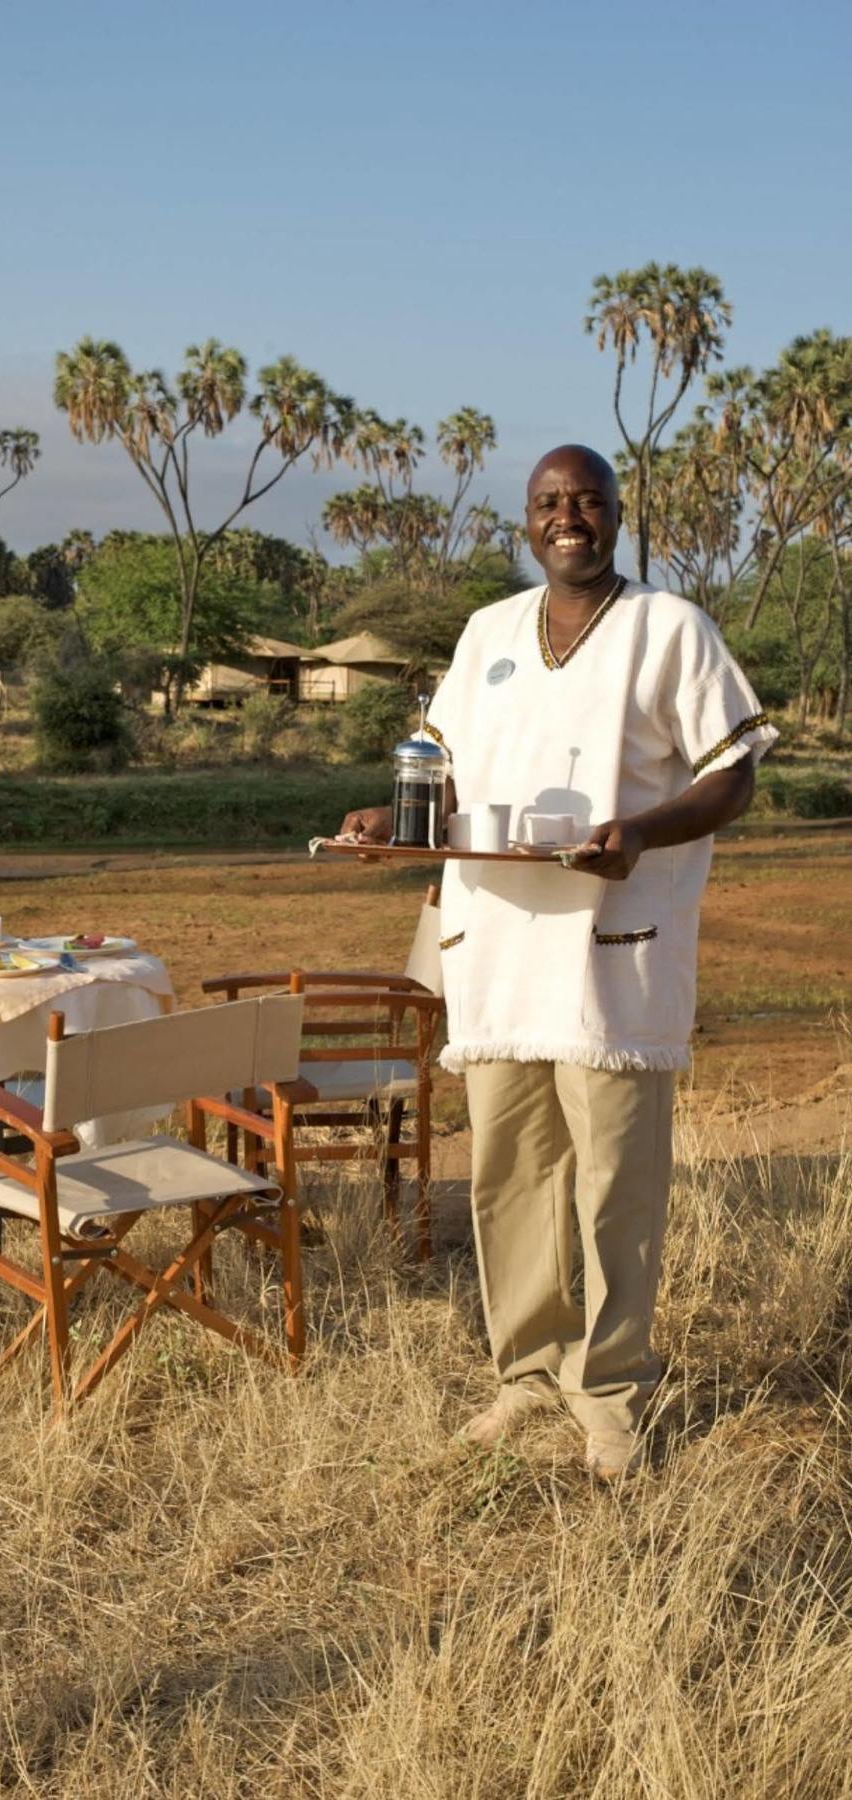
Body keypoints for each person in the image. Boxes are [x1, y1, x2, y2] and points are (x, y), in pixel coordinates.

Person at [340, 444, 777, 1480]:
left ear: (616, 516)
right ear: (525, 521)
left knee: (615, 1185)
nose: (565, 516)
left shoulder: (668, 630)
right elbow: (441, 777)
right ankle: (526, 1371)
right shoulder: (487, 632)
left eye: (585, 499)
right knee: (509, 1178)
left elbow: (732, 773)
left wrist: (639, 832)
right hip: (494, 948)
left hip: (607, 954)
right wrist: (390, 820)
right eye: (547, 502)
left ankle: (611, 1388)